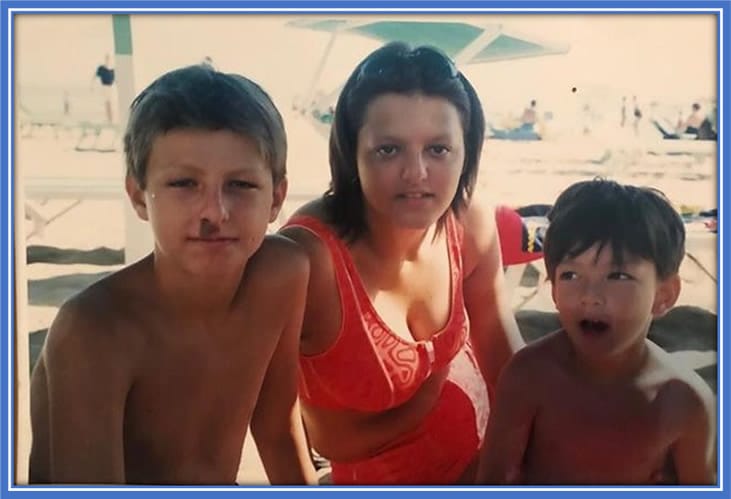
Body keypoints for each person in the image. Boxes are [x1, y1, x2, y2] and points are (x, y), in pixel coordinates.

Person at [29, 64, 316, 485]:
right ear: (138, 196)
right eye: (184, 183)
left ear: (277, 198)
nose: (215, 212)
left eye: (241, 185)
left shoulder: (283, 275)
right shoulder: (96, 331)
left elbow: (275, 430)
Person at [279, 42, 523, 485]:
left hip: (486, 467)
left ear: (467, 151)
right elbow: (324, 438)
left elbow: (506, 363)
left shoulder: (469, 222)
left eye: (438, 150)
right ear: (352, 154)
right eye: (388, 150)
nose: (416, 173)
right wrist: (427, 396)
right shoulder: (311, 259)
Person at [477, 179, 716, 485]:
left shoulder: (684, 402)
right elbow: (494, 482)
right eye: (571, 275)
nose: (590, 294)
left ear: (664, 295)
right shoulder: (529, 377)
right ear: (552, 289)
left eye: (617, 276)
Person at [92, 54, 116, 123]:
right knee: (107, 102)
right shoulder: (102, 68)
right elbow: (95, 76)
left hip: (110, 87)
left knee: (109, 103)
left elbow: (116, 79)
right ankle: (109, 118)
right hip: (105, 87)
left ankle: (110, 118)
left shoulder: (112, 69)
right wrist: (92, 86)